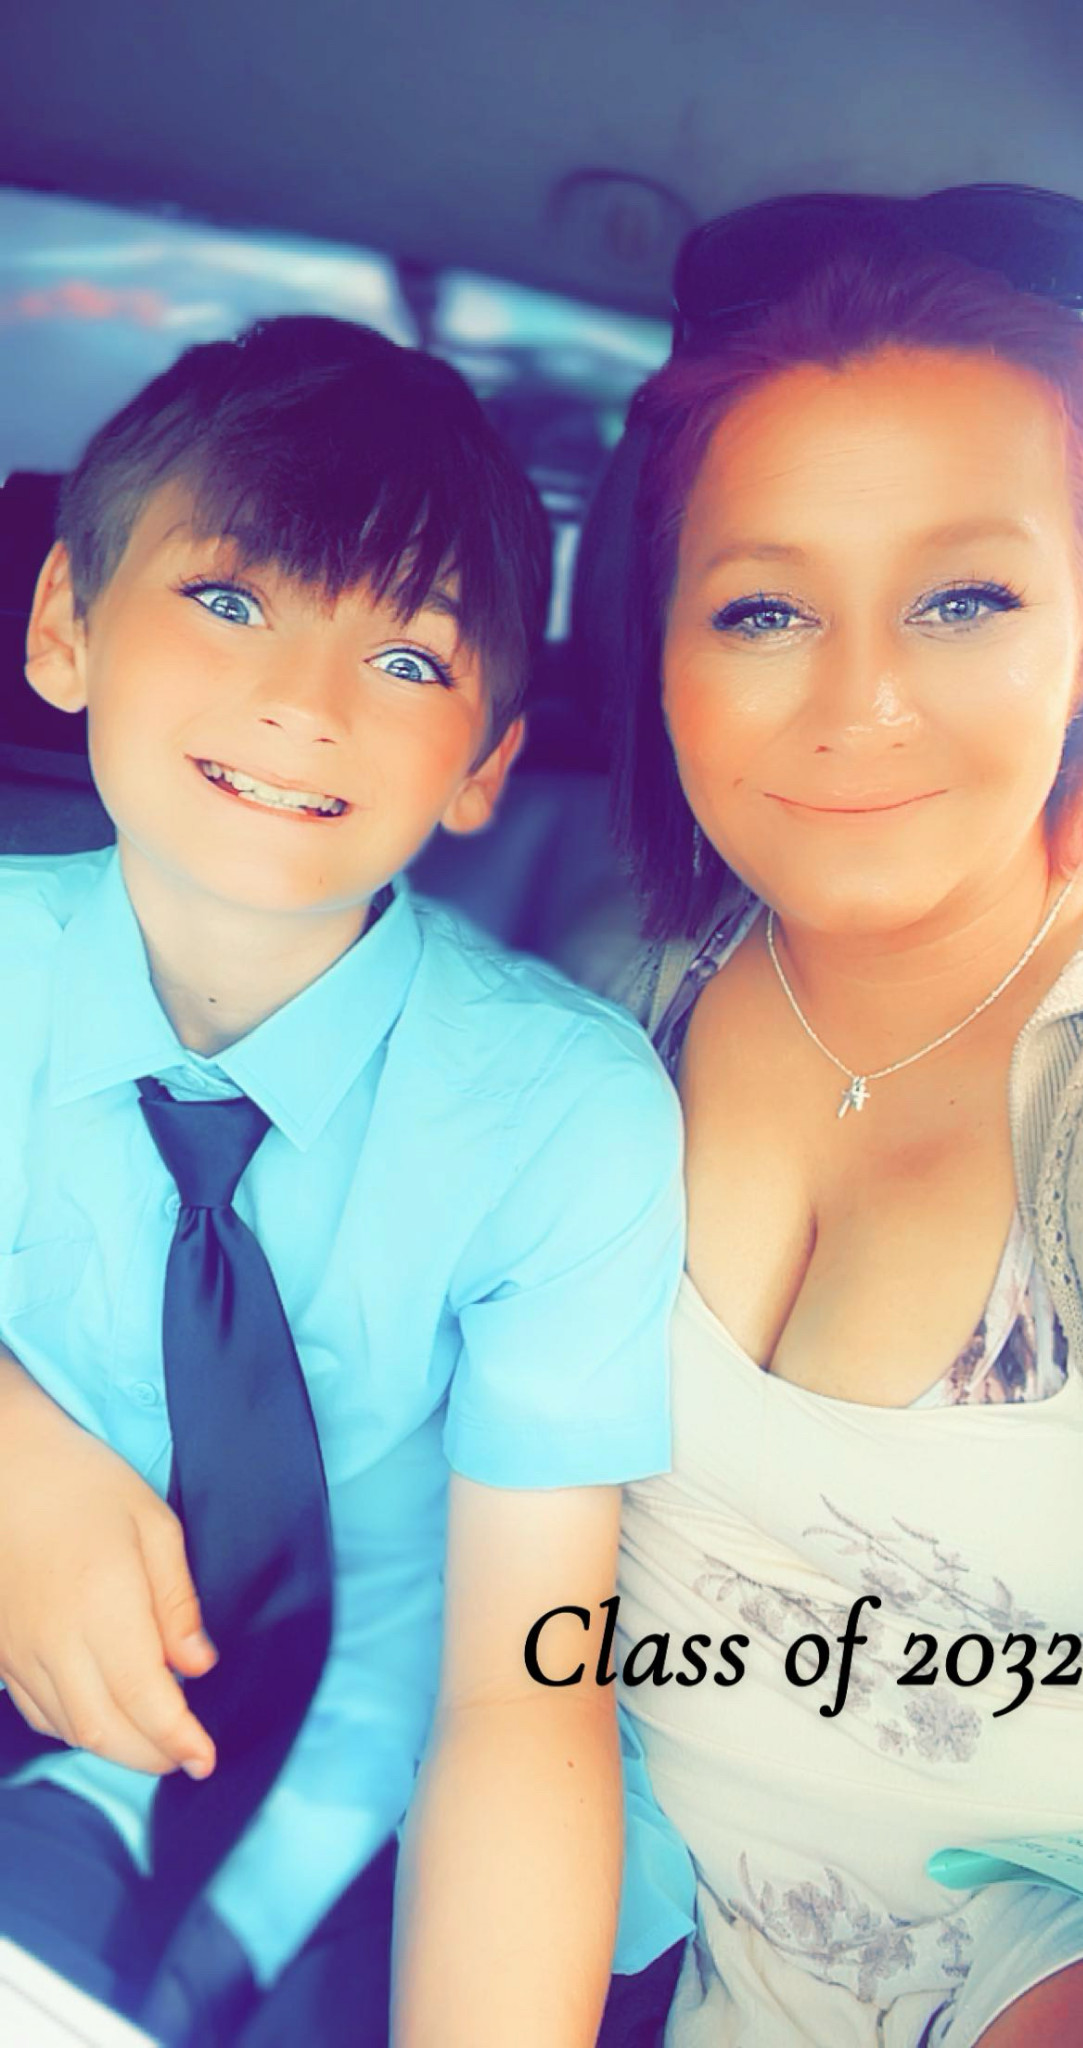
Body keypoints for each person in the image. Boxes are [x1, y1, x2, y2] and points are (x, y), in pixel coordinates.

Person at [0, 313, 688, 2046]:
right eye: (228, 599)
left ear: (486, 766)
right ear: (65, 625)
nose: (302, 704)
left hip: (344, 1772)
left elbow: (516, 1683)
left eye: (406, 658)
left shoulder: (560, 1118)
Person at [578, 185, 1083, 2046]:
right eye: (764, 608)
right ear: (658, 643)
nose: (862, 704)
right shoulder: (612, 1008)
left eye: (966, 598)